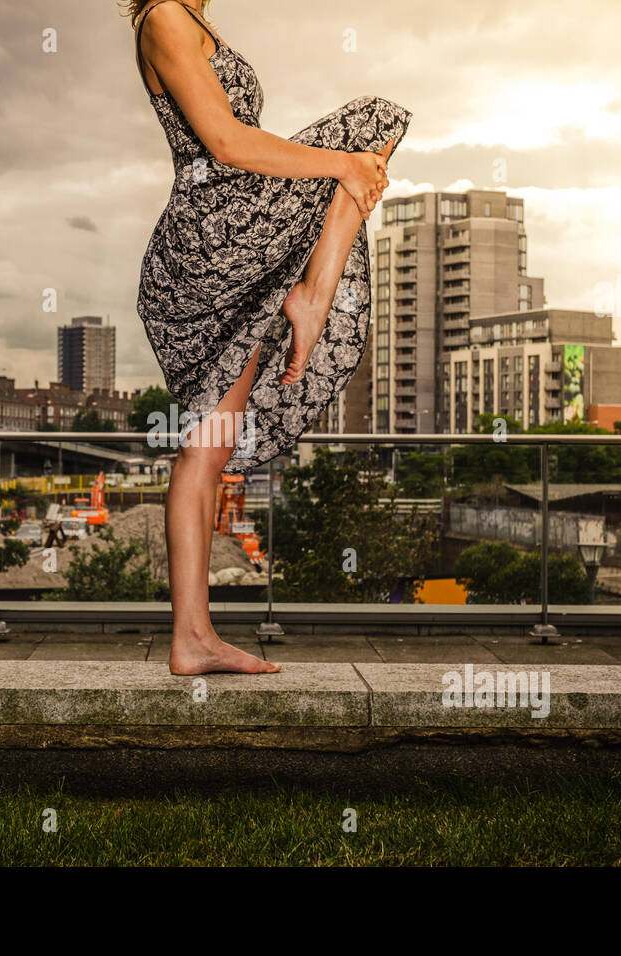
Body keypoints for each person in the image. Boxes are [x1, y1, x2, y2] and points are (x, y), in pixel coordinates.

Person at [127, 0, 412, 674]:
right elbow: (225, 143)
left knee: (206, 450)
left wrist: (344, 170)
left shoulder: (197, 21)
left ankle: (192, 638)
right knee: (371, 124)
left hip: (236, 231)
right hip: (213, 239)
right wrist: (340, 166)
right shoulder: (164, 16)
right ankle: (312, 295)